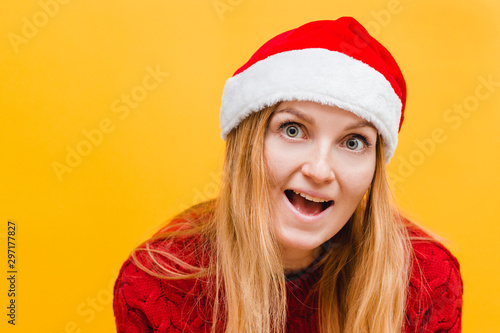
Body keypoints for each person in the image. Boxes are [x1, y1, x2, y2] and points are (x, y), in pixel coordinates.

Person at [113, 17, 463, 332]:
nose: (319, 170)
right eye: (293, 130)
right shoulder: (156, 286)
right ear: (247, 144)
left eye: (353, 142)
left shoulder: (426, 280)